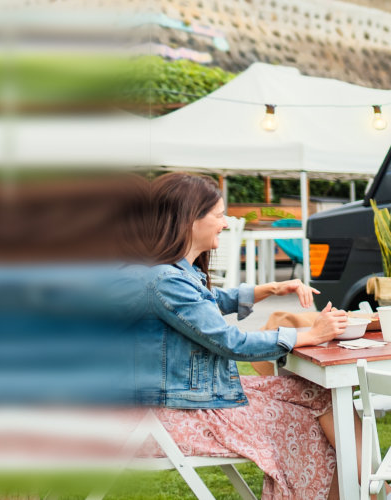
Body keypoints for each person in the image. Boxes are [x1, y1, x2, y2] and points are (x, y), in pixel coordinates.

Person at [138, 173, 369, 500]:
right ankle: (375, 493)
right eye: (219, 215)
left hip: (200, 396)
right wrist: (311, 333)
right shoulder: (166, 281)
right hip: (177, 414)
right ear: (189, 220)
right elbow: (231, 342)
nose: (226, 223)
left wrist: (274, 288)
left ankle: (374, 492)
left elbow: (211, 303)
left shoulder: (174, 273)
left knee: (321, 391)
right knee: (303, 418)